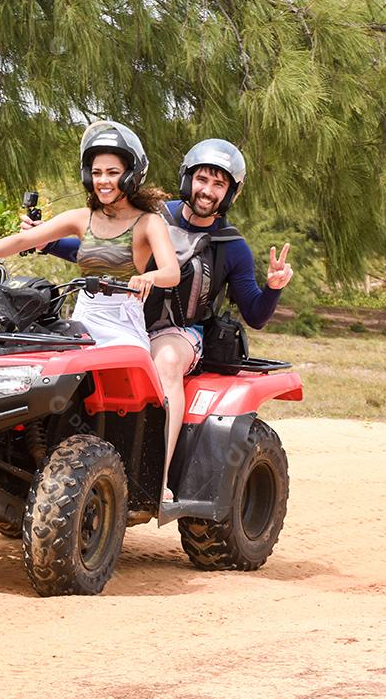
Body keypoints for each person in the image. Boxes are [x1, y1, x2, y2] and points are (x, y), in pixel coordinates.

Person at [23, 139, 294, 502]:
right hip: (121, 321)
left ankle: (158, 479)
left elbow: (256, 315)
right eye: (202, 179)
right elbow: (102, 252)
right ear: (187, 178)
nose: (207, 191)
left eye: (219, 184)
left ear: (231, 193)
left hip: (180, 334)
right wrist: (47, 241)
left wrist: (273, 287)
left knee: (164, 360)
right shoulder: (151, 216)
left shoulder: (232, 246)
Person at [0, 120, 180, 352]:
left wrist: (150, 277)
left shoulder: (148, 222)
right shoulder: (81, 218)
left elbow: (171, 273)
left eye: (113, 173)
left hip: (123, 325)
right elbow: (23, 240)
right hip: (82, 323)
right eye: (96, 173)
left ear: (130, 176)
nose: (103, 180)